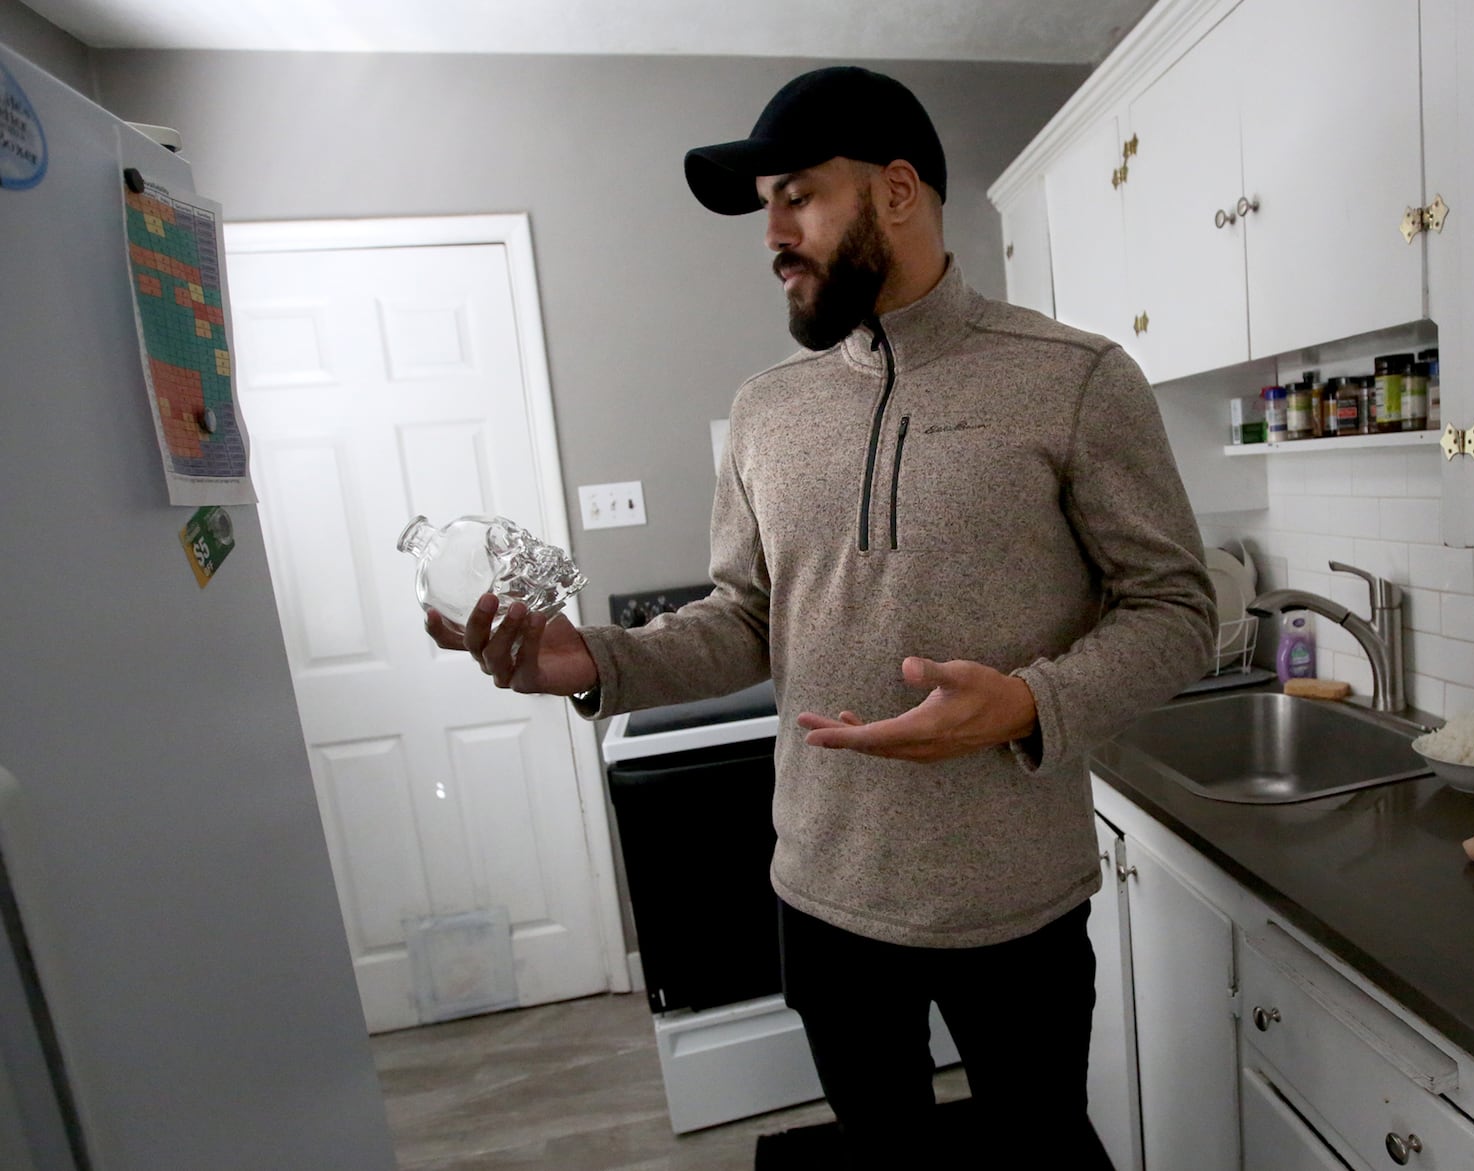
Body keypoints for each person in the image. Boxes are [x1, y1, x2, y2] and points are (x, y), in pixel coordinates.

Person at [427, 66, 1216, 1168]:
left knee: (1039, 1146)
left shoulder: (1074, 379)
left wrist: (1030, 703)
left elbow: (1177, 608)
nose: (774, 235)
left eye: (798, 195)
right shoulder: (767, 408)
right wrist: (592, 659)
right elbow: (750, 617)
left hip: (1016, 898)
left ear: (898, 191)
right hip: (824, 891)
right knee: (879, 1148)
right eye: (767, 208)